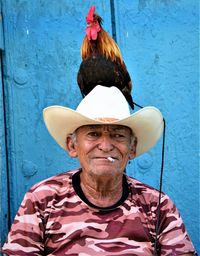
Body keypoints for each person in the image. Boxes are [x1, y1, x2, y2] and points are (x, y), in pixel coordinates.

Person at [2, 85, 196, 255]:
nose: (105, 146)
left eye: (118, 135)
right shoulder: (42, 199)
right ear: (72, 146)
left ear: (132, 148)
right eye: (93, 134)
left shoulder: (157, 206)